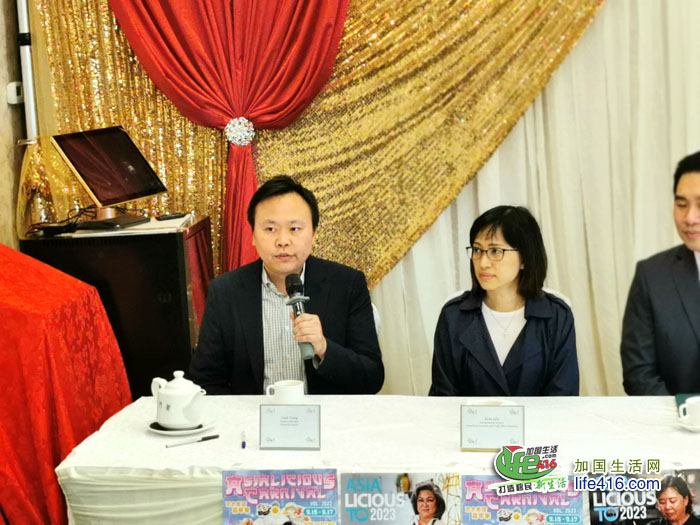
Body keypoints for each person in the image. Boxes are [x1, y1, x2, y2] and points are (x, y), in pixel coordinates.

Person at [189, 175, 384, 394]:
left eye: (295, 228)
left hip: (325, 414)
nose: (282, 241)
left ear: (314, 234)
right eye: (270, 229)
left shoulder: (347, 284)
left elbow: (372, 377)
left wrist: (324, 348)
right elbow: (205, 380)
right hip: (254, 414)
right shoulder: (225, 291)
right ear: (253, 235)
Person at [429, 205, 579, 396]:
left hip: (540, 418)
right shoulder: (453, 316)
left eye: (495, 251)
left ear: (524, 258)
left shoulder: (557, 317)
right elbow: (442, 398)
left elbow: (563, 398)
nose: (483, 262)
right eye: (477, 250)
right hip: (465, 418)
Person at [621, 152, 700, 395]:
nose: (690, 218)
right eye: (681, 204)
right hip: (673, 416)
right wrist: (682, 413)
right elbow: (638, 372)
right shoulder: (652, 276)